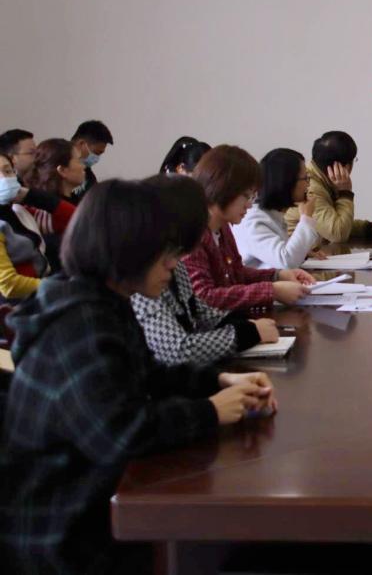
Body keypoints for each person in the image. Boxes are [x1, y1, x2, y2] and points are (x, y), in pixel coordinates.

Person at [0, 179, 277, 575]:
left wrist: (219, 383)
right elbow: (121, 433)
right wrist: (210, 411)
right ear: (126, 252)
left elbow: (148, 374)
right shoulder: (79, 323)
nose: (173, 265)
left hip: (91, 505)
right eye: (164, 253)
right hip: (66, 534)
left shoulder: (103, 300)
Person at [132, 175, 280, 365]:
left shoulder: (174, 260)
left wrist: (246, 325)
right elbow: (178, 350)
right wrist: (248, 333)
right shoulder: (139, 276)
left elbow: (201, 312)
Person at [183, 145, 314, 315]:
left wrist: (278, 275)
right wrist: (272, 291)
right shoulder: (193, 234)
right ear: (223, 189)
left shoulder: (223, 227)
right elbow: (203, 297)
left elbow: (236, 273)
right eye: (246, 196)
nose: (250, 205)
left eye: (252, 196)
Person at [284, 131, 372, 244]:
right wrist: (345, 193)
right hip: (298, 256)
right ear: (345, 167)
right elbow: (338, 233)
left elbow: (332, 223)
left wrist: (369, 228)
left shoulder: (317, 177)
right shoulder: (310, 188)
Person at [234, 148, 322, 270]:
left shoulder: (272, 214)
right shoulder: (253, 219)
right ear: (287, 181)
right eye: (305, 178)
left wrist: (302, 253)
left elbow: (280, 254)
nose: (308, 184)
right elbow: (286, 261)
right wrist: (306, 218)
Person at [22, 139, 81, 271]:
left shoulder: (78, 200)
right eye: (78, 161)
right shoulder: (44, 211)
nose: (84, 167)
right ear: (62, 170)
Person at [0, 154, 48, 300]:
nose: (4, 178)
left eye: (8, 171)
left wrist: (28, 194)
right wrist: (54, 286)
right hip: (14, 306)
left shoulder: (17, 211)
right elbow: (9, 285)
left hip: (38, 295)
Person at [68, 119, 113, 204]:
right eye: (96, 153)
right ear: (81, 144)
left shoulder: (89, 176)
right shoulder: (53, 166)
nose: (97, 158)